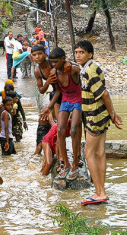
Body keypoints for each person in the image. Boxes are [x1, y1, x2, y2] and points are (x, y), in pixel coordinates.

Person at [74, 40, 123, 205]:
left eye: (81, 52)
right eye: (76, 52)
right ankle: (101, 190)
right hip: (99, 115)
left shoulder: (89, 70)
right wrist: (110, 115)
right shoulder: (89, 68)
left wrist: (113, 114)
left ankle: (99, 192)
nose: (78, 55)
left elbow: (105, 94)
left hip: (94, 116)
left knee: (88, 153)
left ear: (90, 54)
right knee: (100, 152)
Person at [41, 47, 83, 181]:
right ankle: (66, 163)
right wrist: (49, 106)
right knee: (60, 129)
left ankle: (75, 164)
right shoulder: (54, 73)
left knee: (74, 129)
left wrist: (70, 63)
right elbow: (58, 91)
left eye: (55, 62)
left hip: (77, 100)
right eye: (51, 62)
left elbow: (84, 73)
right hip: (65, 100)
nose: (53, 65)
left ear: (63, 60)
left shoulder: (73, 70)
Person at [32, 44, 61, 129]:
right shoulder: (37, 71)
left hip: (65, 90)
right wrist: (48, 82)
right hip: (56, 92)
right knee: (58, 123)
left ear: (45, 54)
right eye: (34, 55)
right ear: (32, 57)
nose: (37, 57)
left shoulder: (53, 63)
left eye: (40, 54)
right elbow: (41, 90)